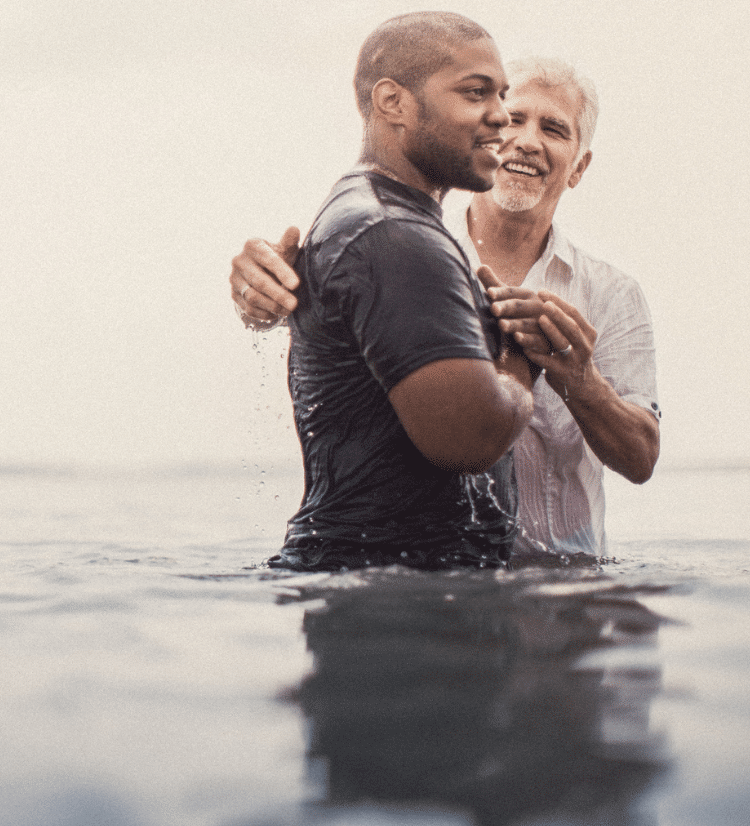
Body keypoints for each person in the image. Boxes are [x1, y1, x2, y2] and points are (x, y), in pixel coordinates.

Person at [232, 56, 660, 561]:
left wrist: (579, 378)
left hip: (569, 588)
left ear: (578, 169)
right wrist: (261, 293)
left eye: (554, 129)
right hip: (436, 581)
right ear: (486, 132)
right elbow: (311, 312)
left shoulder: (612, 293)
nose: (526, 140)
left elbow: (641, 458)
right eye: (514, 119)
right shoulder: (397, 253)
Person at [259, 12, 538, 572]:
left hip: (370, 583)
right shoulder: (393, 234)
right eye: (475, 92)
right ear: (393, 102)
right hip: (394, 594)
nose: (502, 116)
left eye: (502, 94)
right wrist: (523, 358)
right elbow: (467, 438)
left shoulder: (373, 218)